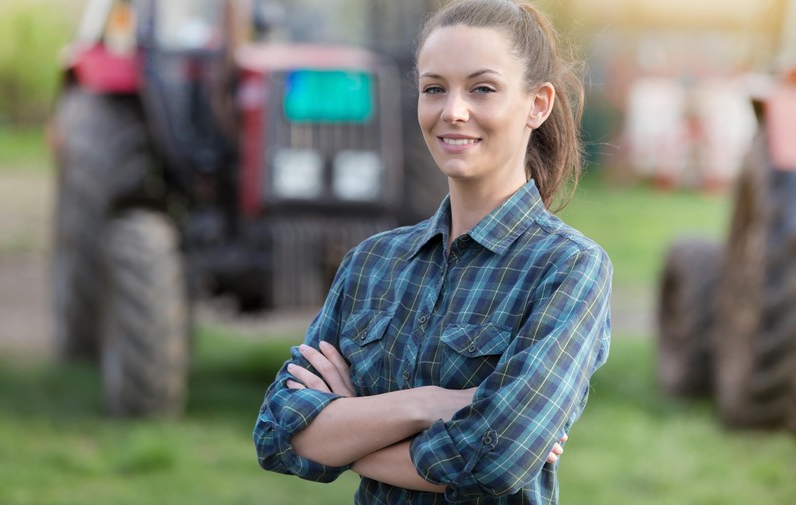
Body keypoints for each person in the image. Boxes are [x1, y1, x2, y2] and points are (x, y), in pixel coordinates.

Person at [253, 0, 611, 503]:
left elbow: (495, 457)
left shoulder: (569, 268)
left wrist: (343, 431)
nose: (452, 111)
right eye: (434, 88)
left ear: (538, 104)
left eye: (482, 88)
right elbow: (276, 432)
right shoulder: (372, 263)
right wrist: (425, 405)